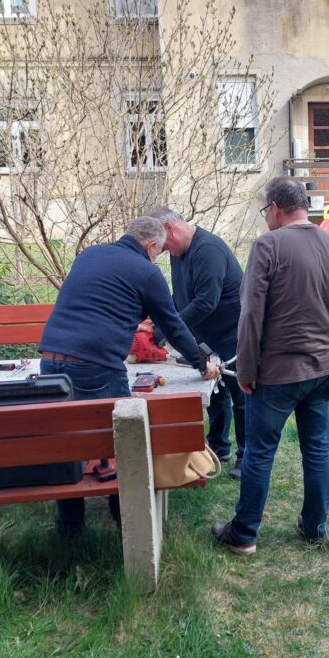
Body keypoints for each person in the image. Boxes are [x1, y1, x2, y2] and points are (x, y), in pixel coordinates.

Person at [39, 216, 220, 536]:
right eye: (159, 252)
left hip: (50, 360)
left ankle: (70, 525)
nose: (158, 258)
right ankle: (124, 517)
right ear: (150, 246)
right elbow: (174, 326)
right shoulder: (147, 272)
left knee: (66, 441)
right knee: (123, 439)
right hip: (96, 366)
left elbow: (96, 302)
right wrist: (201, 364)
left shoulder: (89, 254)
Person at [211, 176, 329, 554]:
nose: (266, 217)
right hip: (325, 367)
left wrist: (246, 370)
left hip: (279, 373)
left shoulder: (268, 245)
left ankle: (244, 533)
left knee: (259, 452)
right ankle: (315, 527)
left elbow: (250, 314)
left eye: (265, 210)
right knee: (317, 449)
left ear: (274, 208)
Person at [150, 209, 246, 480]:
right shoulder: (179, 253)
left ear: (170, 228)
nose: (164, 251)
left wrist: (169, 330)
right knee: (214, 392)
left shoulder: (208, 251)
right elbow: (180, 297)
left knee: (241, 396)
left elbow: (205, 302)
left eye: (164, 244)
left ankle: (247, 456)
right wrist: (159, 321)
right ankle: (218, 446)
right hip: (206, 335)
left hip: (233, 333)